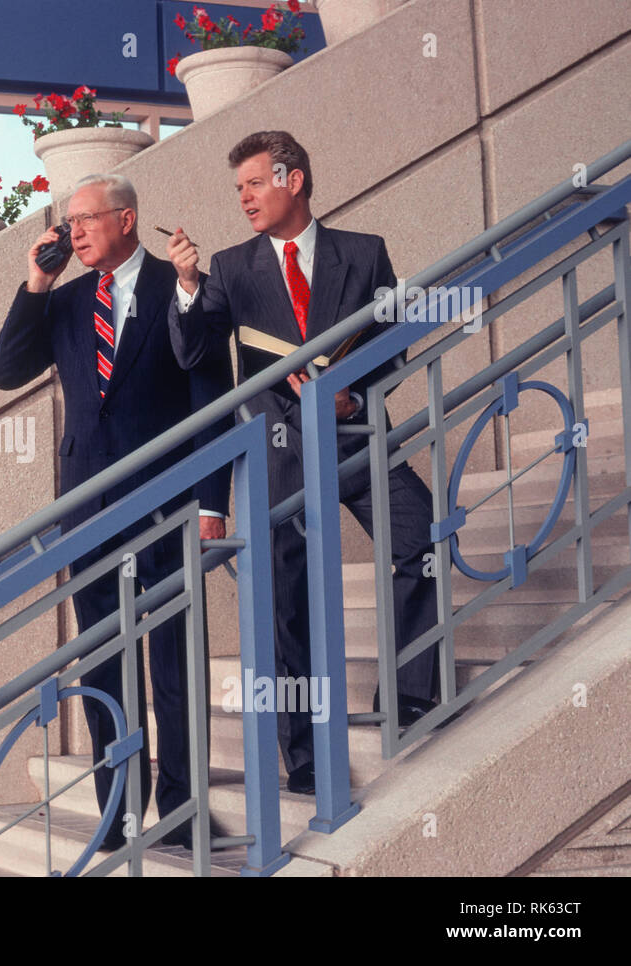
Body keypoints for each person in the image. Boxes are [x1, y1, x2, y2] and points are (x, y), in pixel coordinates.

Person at [166, 131, 439, 796]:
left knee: (419, 533)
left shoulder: (365, 253)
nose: (245, 199)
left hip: (351, 436)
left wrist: (359, 392)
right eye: (239, 190)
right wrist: (187, 286)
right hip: (277, 453)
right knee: (287, 601)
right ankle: (305, 754)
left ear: (293, 180)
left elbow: (395, 346)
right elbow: (195, 353)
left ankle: (410, 693)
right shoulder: (230, 269)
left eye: (254, 184)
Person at [0, 173, 234, 851]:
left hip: (168, 501)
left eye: (85, 220)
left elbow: (211, 393)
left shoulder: (181, 285)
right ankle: (118, 814)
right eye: (69, 224)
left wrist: (213, 501)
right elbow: (7, 370)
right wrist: (36, 283)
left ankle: (183, 813)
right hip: (88, 510)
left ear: (127, 219)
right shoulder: (65, 301)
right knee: (103, 664)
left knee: (173, 665)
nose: (74, 233)